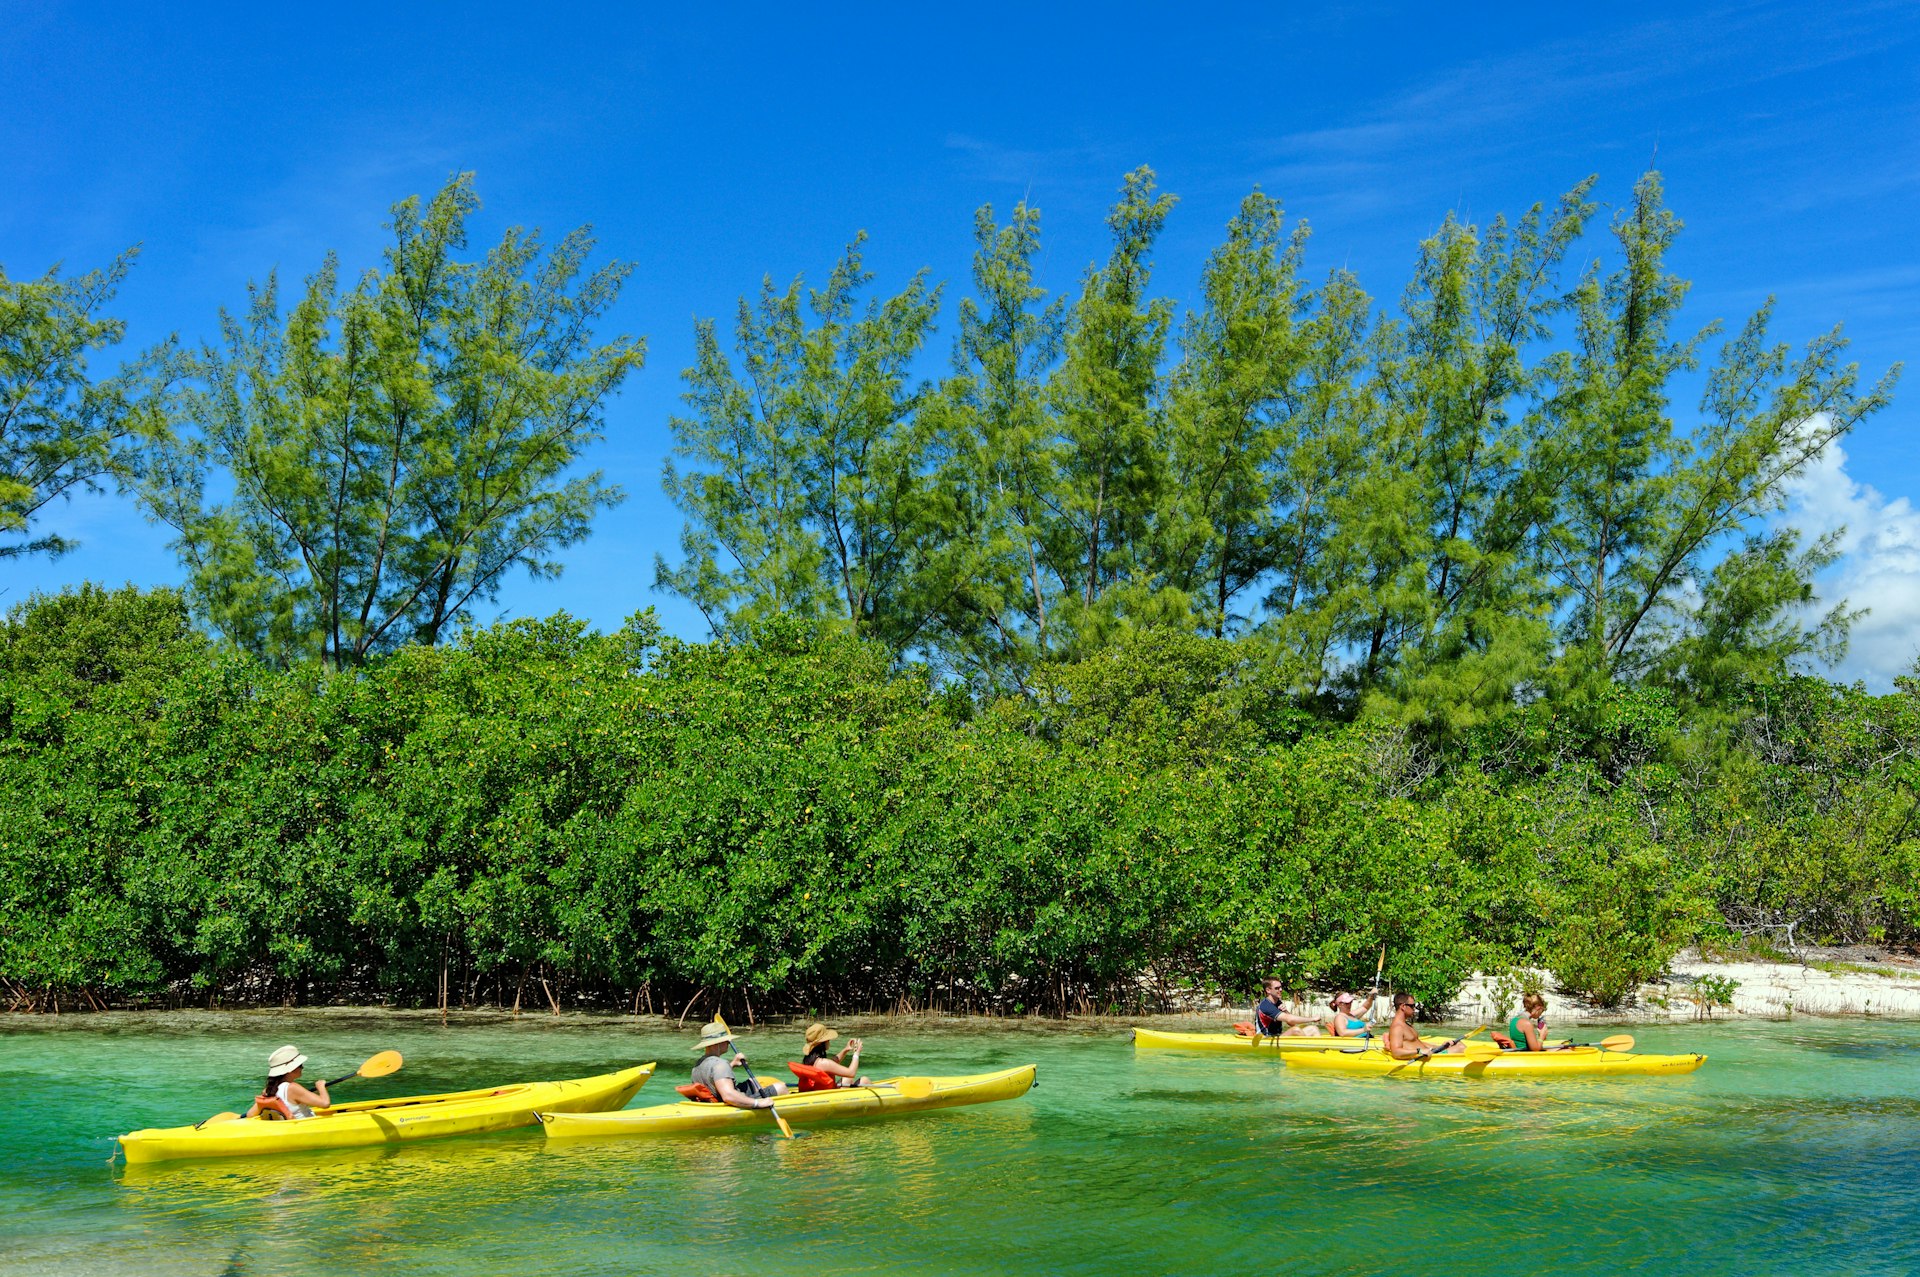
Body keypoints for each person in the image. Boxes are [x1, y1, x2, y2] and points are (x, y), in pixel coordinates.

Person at [689, 1020, 788, 1110]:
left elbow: (713, 1079)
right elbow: (728, 1096)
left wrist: (732, 1064)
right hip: (731, 1103)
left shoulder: (698, 1065)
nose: (728, 1043)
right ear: (717, 1043)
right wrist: (757, 1103)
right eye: (726, 1040)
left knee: (754, 1082)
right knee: (781, 1087)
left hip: (716, 1100)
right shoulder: (720, 1064)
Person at [246, 1045, 329, 1120]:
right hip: (304, 1128)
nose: (302, 1067)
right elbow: (325, 1104)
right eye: (300, 1065)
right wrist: (321, 1087)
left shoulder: (268, 1090)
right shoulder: (292, 1088)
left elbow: (250, 1115)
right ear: (290, 1069)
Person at [1382, 993, 1464, 1060]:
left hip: (1431, 1053)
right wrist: (1419, 1051)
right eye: (1412, 1006)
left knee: (1458, 1044)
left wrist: (1441, 1047)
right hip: (1424, 1056)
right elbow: (1396, 1052)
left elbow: (1416, 1042)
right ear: (1403, 1006)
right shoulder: (1397, 1027)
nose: (1414, 1009)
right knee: (1461, 1047)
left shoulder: (1405, 1025)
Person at [797, 1023, 870, 1087]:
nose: (829, 1041)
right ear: (822, 1043)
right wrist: (856, 1053)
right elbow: (851, 1073)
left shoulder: (810, 1060)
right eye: (828, 1040)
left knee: (848, 1079)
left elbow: (832, 1063)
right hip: (828, 1097)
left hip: (820, 1093)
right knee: (864, 1080)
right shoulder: (823, 1063)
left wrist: (845, 1049)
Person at [1254, 979, 1321, 1036]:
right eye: (1277, 988)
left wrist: (1285, 1011)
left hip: (1277, 1037)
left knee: (1313, 1029)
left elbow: (1292, 1024)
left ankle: (1321, 1050)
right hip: (1265, 1039)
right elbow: (1290, 1019)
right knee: (1295, 1030)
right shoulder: (1266, 1005)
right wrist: (1312, 1019)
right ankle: (1308, 1049)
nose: (1280, 990)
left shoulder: (1278, 1003)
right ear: (1268, 990)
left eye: (1281, 987)